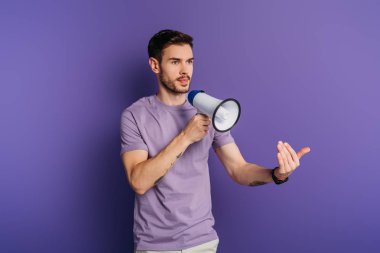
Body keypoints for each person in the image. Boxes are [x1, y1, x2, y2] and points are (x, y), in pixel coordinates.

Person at [120, 29, 311, 253]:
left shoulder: (209, 109)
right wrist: (185, 137)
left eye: (189, 61)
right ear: (155, 65)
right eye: (175, 62)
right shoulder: (135, 115)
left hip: (202, 242)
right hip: (155, 246)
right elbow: (139, 182)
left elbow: (238, 169)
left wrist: (276, 175)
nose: (185, 70)